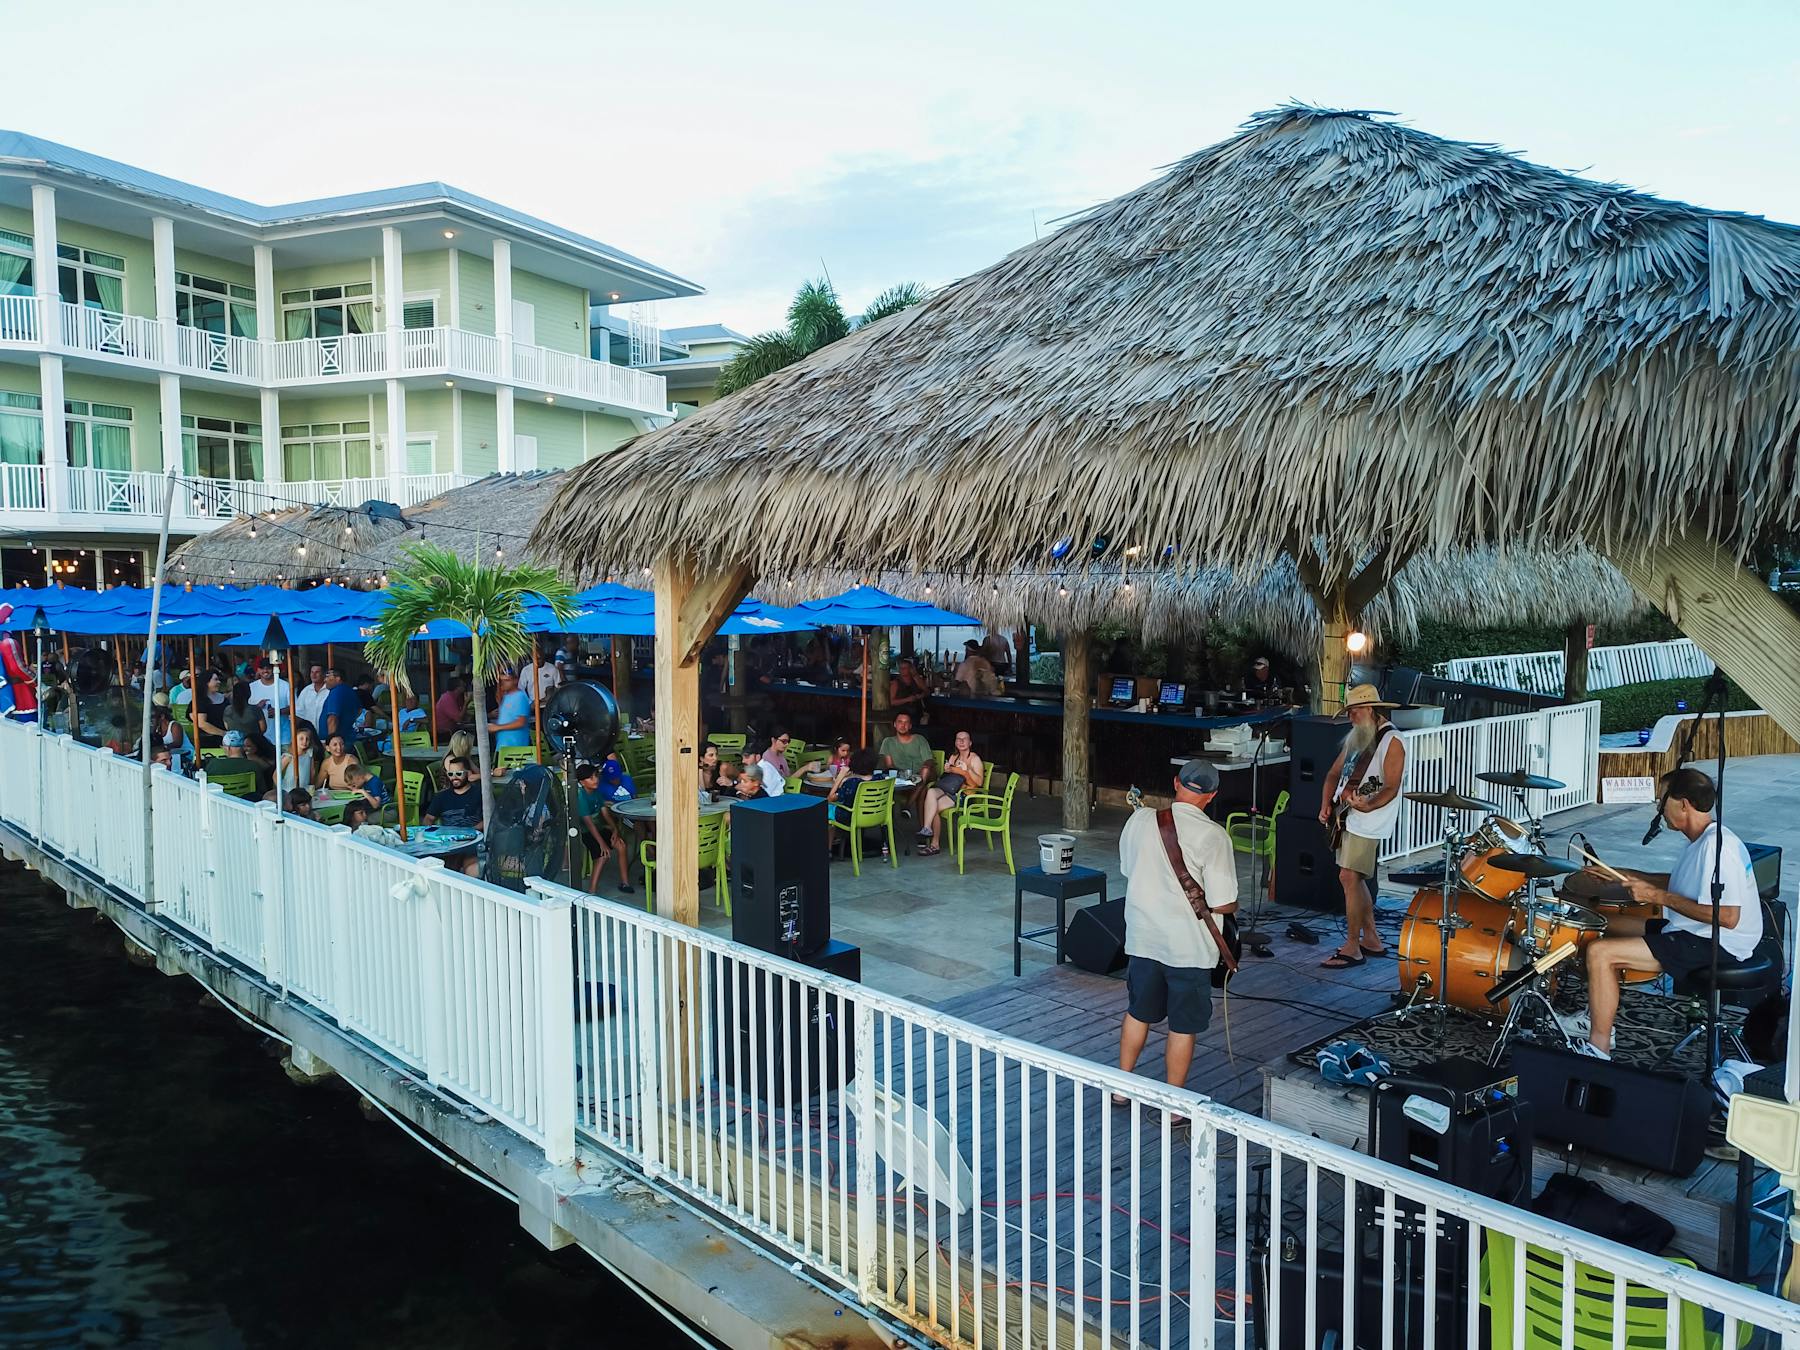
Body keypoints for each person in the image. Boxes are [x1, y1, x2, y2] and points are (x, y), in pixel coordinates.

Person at [1571, 768, 1764, 1059]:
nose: (1659, 810)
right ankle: (1594, 1013)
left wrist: (1655, 896)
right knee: (1601, 923)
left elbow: (1727, 917)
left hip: (1719, 944)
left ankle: (1599, 1047)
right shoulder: (1703, 840)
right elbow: (1678, 883)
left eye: (1661, 802)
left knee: (1600, 952)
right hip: (1694, 931)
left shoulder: (1716, 847)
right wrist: (1621, 875)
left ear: (1683, 804)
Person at [1116, 760, 1238, 1096]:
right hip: (1190, 947)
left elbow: (1128, 869)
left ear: (1176, 782)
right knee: (1183, 1027)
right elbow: (1223, 902)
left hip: (1143, 939)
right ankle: (1173, 1105)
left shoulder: (1139, 819)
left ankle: (1120, 1088)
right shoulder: (1214, 836)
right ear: (1211, 796)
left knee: (1138, 1013)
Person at [1318, 684, 1406, 969]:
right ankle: (1371, 939)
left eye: (1354, 712)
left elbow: (1391, 786)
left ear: (1370, 709)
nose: (1351, 718)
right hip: (1348, 816)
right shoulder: (1359, 737)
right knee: (1353, 879)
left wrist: (1368, 805)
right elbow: (1333, 774)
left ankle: (1353, 946)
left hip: (1368, 820)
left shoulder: (1392, 740)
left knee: (1348, 878)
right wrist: (1326, 804)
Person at [917, 730, 983, 857]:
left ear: (970, 743)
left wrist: (967, 770)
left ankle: (934, 845)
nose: (962, 741)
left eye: (965, 739)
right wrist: (948, 769)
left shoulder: (974, 759)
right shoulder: (954, 757)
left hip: (963, 795)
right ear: (955, 742)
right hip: (949, 789)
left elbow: (979, 783)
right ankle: (926, 828)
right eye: (959, 739)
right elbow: (949, 778)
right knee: (931, 792)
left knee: (933, 807)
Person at [424, 757, 484, 875]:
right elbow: (428, 819)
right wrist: (433, 834)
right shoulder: (441, 797)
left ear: (468, 773)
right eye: (451, 774)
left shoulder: (479, 793)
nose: (454, 777)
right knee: (436, 870)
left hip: (472, 842)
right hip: (448, 844)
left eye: (458, 773)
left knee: (473, 870)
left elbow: (489, 819)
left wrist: (472, 830)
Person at [877, 711, 936, 817]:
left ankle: (907, 806)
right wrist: (904, 775)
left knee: (926, 771)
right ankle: (923, 828)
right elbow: (889, 765)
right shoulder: (888, 741)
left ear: (910, 726)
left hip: (921, 776)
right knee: (922, 791)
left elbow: (929, 760)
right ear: (895, 724)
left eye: (906, 722)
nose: (903, 725)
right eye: (900, 722)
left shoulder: (919, 739)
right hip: (902, 777)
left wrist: (922, 770)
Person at [573, 761, 619, 893]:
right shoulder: (580, 796)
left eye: (596, 776)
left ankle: (624, 882)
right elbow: (589, 825)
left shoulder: (597, 793)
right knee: (602, 855)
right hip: (586, 832)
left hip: (599, 828)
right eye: (591, 778)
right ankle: (592, 890)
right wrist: (602, 844)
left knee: (621, 845)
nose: (595, 780)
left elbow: (606, 814)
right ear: (582, 782)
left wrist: (615, 830)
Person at [224, 680, 272, 768]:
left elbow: (227, 727)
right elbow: (263, 728)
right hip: (254, 747)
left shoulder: (227, 710)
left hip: (235, 747)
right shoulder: (255, 710)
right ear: (249, 694)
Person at [488, 671, 533, 749]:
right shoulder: (506, 697)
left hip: (515, 746)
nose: (503, 683)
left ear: (515, 680)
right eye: (501, 680)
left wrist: (497, 727)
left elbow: (521, 722)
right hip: (503, 745)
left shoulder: (520, 697)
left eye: (507, 680)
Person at [249, 660, 291, 740]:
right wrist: (257, 707)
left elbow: (294, 707)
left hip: (283, 736)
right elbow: (245, 709)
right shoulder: (251, 687)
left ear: (274, 669)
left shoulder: (285, 685)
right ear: (258, 670)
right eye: (262, 668)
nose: (265, 671)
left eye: (268, 668)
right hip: (259, 738)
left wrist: (279, 712)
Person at [319, 667, 362, 743]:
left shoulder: (336, 692)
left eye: (328, 676)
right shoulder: (350, 691)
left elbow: (332, 718)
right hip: (348, 736)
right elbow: (359, 711)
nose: (325, 680)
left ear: (338, 678)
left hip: (337, 742)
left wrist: (331, 742)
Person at [279, 724, 318, 795]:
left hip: (304, 789)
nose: (304, 741)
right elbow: (276, 775)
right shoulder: (288, 756)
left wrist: (312, 786)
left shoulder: (309, 754)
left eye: (307, 739)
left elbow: (312, 772)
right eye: (301, 738)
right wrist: (281, 789)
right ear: (295, 740)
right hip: (289, 790)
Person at [193, 672, 228, 748]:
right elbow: (202, 723)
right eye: (215, 679)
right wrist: (224, 733)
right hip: (208, 740)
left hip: (226, 740)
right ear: (206, 682)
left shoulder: (224, 698)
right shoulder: (199, 701)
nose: (219, 682)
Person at [890, 658, 931, 722]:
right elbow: (891, 702)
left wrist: (921, 695)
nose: (902, 670)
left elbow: (927, 691)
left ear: (910, 669)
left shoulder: (915, 680)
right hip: (900, 713)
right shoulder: (896, 683)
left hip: (916, 712)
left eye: (905, 668)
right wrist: (907, 699)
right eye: (901, 668)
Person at [294, 664, 328, 735]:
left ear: (324, 674)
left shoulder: (329, 690)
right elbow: (298, 714)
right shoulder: (306, 691)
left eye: (317, 672)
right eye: (312, 672)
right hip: (310, 736)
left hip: (326, 734)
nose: (313, 675)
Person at [434, 676, 468, 740]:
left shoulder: (457, 698)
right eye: (463, 685)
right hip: (443, 733)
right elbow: (458, 719)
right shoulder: (447, 698)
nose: (465, 686)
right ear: (457, 688)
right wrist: (466, 702)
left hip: (452, 729)